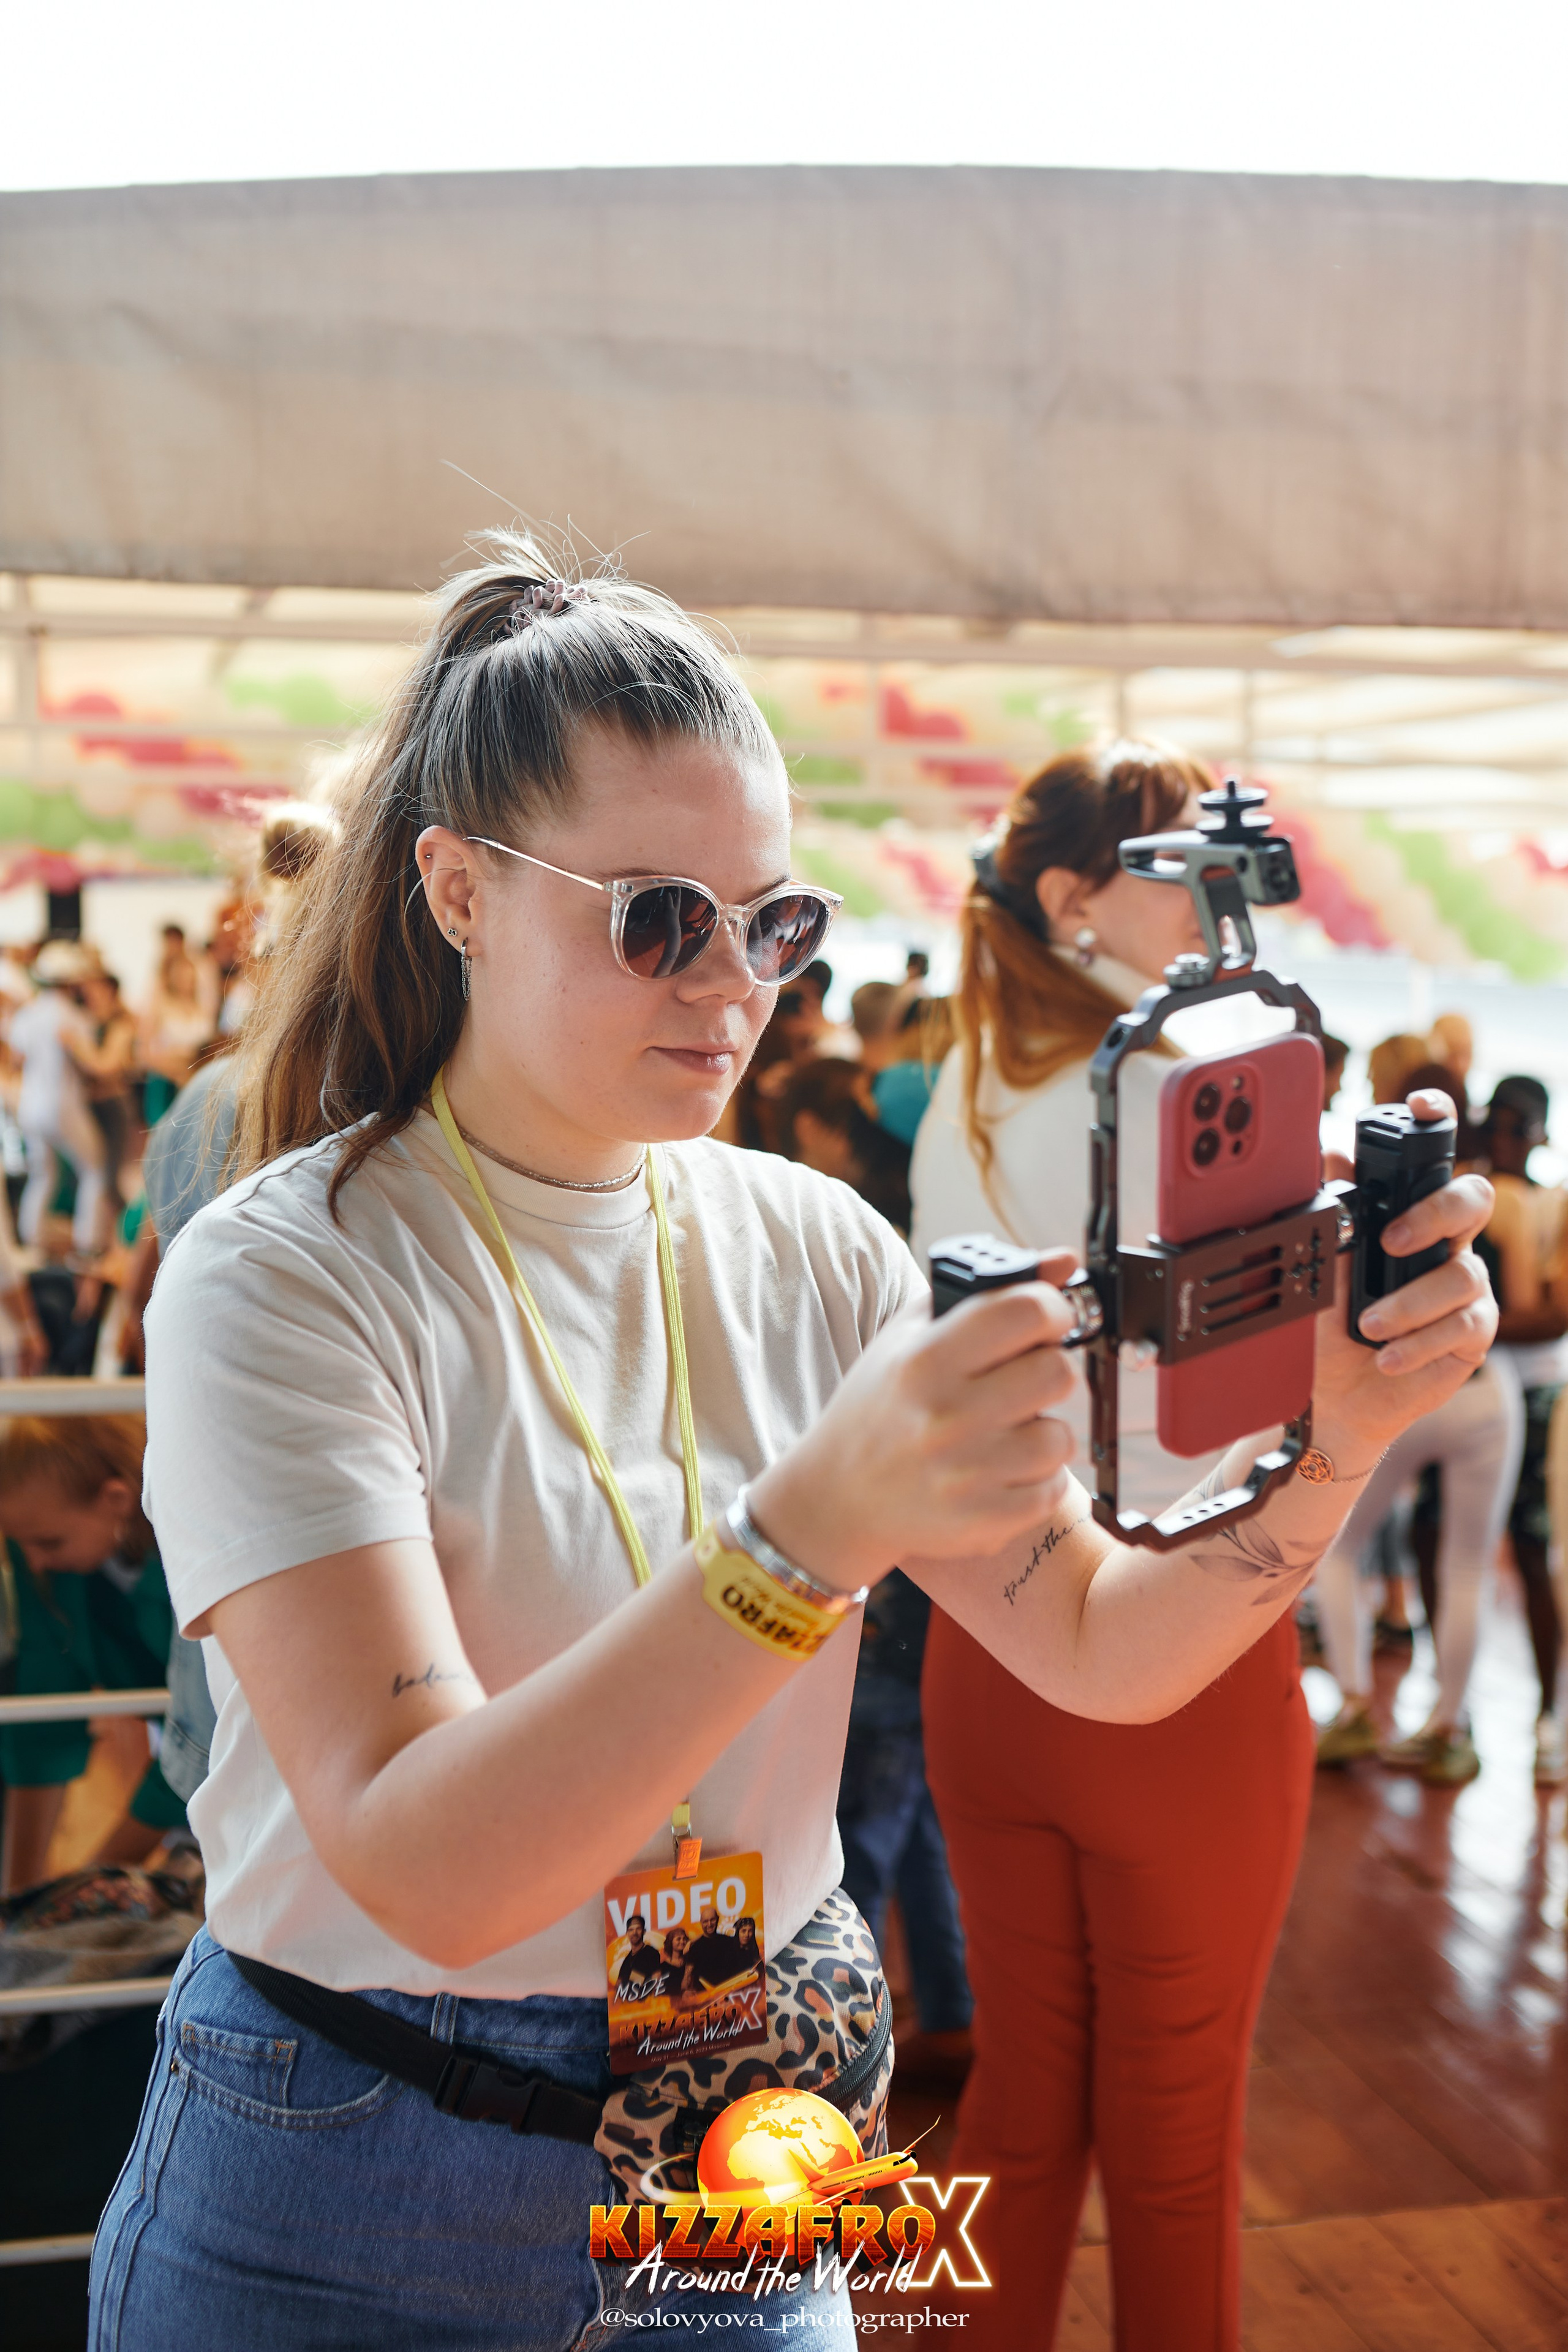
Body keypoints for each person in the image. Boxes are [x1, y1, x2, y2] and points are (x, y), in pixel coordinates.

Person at [90, 541, 1493, 2352]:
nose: (733, 980)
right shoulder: (284, 1270)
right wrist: (804, 1533)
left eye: (776, 920)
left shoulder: (813, 1243)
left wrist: (1338, 1440)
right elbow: (428, 1862)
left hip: (746, 2098)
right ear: (453, 886)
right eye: (656, 913)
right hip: (359, 2149)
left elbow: (1100, 1644)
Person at [906, 738, 1420, 2352]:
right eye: (1172, 856)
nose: (1213, 888)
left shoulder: (964, 1094)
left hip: (986, 1649)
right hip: (1180, 1646)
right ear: (1073, 900)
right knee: (1178, 2159)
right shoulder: (1193, 1105)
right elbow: (1258, 1412)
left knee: (1018, 2113)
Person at [0, 1416, 187, 1894]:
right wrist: (21, 1900)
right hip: (189, 1769)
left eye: (47, 1543)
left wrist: (78, 1890)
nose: (34, 1560)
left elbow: (202, 1742)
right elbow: (45, 1718)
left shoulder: (189, 1553)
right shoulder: (44, 1550)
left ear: (117, 1500)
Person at [836, 1567, 973, 2087]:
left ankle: (848, 2055)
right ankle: (950, 2021)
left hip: (879, 1687)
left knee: (857, 1877)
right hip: (927, 1679)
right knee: (923, 1857)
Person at [9, 942, 110, 1257]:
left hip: (31, 1104)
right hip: (62, 1103)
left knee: (44, 1172)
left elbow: (17, 1059)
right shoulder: (71, 1016)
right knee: (95, 1168)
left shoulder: (28, 1015)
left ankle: (31, 1237)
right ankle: (89, 1241)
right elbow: (93, 1064)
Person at [777, 1055, 913, 1232]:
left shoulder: (880, 1196)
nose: (871, 1142)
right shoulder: (798, 1222)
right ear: (808, 1129)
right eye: (855, 1128)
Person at [612, 1912, 663, 1997]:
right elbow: (618, 1985)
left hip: (644, 2004)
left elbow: (656, 1981)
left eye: (638, 1929)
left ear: (644, 1931)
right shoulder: (627, 1960)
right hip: (627, 2005)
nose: (634, 1933)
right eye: (631, 1930)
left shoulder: (651, 1953)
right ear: (627, 1933)